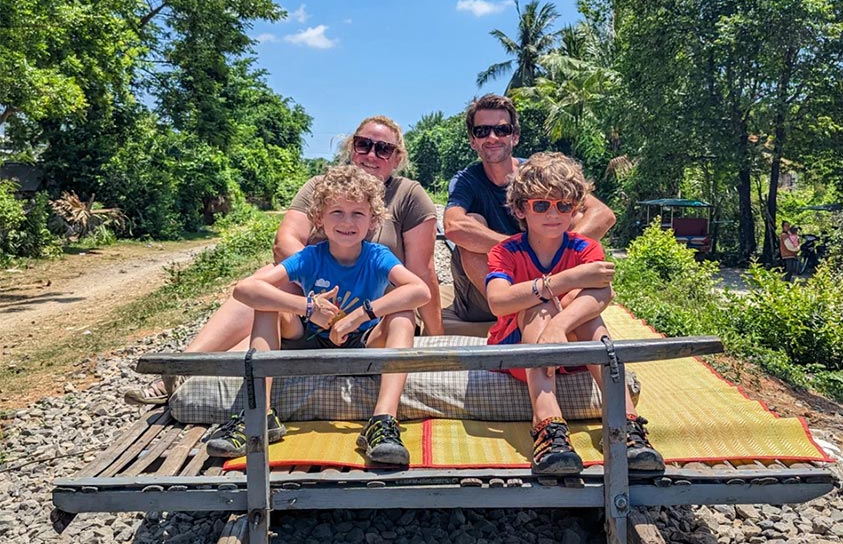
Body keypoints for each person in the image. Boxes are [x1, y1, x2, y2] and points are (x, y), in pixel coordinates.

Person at [124, 115, 443, 405]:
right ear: (352, 147)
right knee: (267, 277)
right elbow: (285, 242)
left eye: (383, 149)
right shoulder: (322, 187)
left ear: (396, 158)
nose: (371, 155)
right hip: (312, 296)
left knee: (399, 302)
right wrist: (314, 291)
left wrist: (435, 337)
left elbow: (421, 270)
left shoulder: (409, 195)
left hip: (371, 305)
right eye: (364, 145)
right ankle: (185, 366)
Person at [205, 165, 431, 463]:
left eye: (357, 214)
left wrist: (361, 315)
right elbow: (245, 289)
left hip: (363, 342)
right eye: (337, 212)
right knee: (266, 304)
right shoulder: (310, 256)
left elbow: (420, 290)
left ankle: (383, 421)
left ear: (373, 220)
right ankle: (257, 414)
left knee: (402, 312)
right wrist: (308, 308)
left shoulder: (377, 256)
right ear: (319, 218)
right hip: (309, 337)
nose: (347, 222)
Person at [484, 152, 664, 476]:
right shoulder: (506, 251)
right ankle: (548, 424)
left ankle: (626, 423)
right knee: (536, 308)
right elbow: (498, 302)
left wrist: (559, 324)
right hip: (519, 350)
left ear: (574, 208)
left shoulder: (584, 248)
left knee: (589, 317)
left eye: (563, 205)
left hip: (569, 345)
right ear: (522, 208)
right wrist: (566, 281)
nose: (553, 213)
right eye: (541, 205)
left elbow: (603, 293)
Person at [443, 94, 617, 323]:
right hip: (492, 295)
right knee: (471, 226)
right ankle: (514, 312)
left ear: (514, 136)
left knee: (570, 215)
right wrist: (522, 249)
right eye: (482, 131)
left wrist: (554, 249)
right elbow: (453, 227)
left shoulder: (537, 174)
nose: (492, 137)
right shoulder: (466, 180)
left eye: (502, 130)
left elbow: (603, 215)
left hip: (548, 277)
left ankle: (548, 296)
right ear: (473, 141)